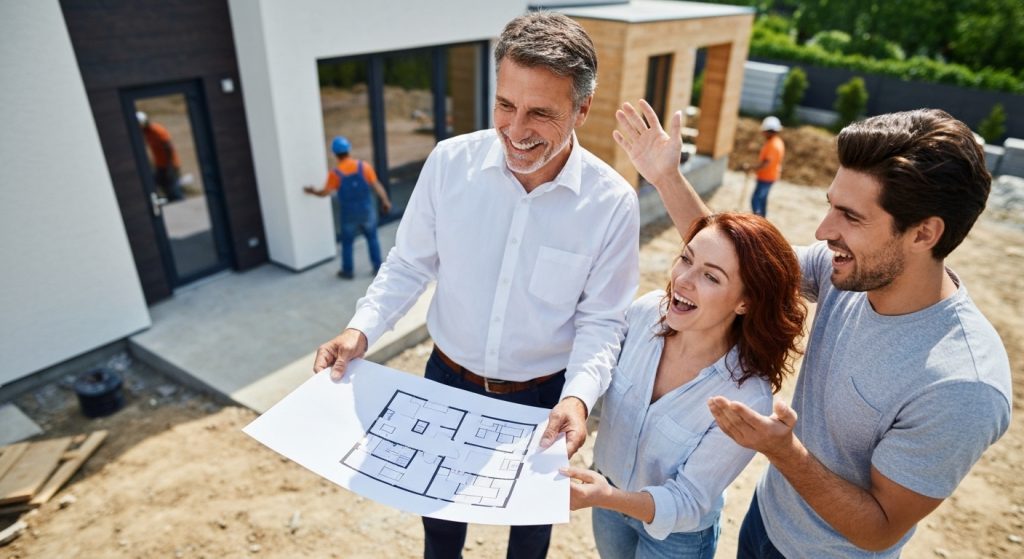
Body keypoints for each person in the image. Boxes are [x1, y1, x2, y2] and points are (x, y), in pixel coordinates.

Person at [613, 100, 1012, 558]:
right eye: (831, 206)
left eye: (851, 216)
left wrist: (783, 451)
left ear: (923, 234)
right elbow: (738, 267)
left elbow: (878, 530)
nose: (823, 231)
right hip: (765, 520)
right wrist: (667, 178)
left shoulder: (962, 385)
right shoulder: (846, 271)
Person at [311, 13, 640, 559]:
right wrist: (360, 329)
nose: (516, 129)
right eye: (505, 105)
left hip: (544, 400)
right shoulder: (449, 164)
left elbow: (602, 321)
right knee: (439, 525)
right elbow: (409, 264)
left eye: (540, 113)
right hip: (446, 382)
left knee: (530, 534)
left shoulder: (611, 204)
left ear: (582, 110)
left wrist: (579, 398)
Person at [561, 212, 806, 559]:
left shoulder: (748, 397)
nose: (683, 280)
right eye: (687, 259)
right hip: (608, 502)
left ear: (745, 302)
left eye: (711, 276)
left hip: (676, 538)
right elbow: (600, 399)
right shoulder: (645, 314)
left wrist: (608, 497)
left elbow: (689, 500)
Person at [304, 135, 392, 279]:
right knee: (372, 239)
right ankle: (377, 268)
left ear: (335, 154)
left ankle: (347, 271)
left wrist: (313, 191)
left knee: (347, 243)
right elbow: (376, 185)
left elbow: (324, 193)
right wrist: (385, 200)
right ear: (349, 150)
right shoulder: (364, 167)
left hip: (349, 215)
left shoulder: (335, 174)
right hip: (366, 211)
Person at [137, 111, 184, 201]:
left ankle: (180, 200)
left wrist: (170, 166)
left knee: (172, 185)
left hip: (170, 163)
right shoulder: (145, 133)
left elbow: (168, 147)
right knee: (160, 183)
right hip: (160, 164)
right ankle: (171, 199)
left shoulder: (157, 130)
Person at [746, 115, 784, 217]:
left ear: (769, 131)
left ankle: (758, 220)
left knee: (756, 200)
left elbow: (766, 163)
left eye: (765, 131)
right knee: (762, 199)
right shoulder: (777, 142)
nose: (763, 133)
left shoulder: (773, 145)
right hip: (771, 175)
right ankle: (763, 219)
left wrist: (752, 168)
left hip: (766, 177)